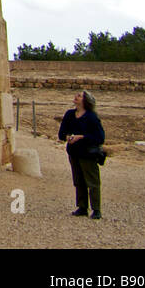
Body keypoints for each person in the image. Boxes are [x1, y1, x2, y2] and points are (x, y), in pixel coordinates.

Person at [58, 89, 105, 219]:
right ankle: (82, 206)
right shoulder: (69, 114)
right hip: (74, 153)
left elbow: (100, 137)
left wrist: (82, 137)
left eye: (79, 96)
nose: (76, 97)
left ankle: (96, 209)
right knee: (78, 180)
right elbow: (62, 133)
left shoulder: (91, 117)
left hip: (87, 154)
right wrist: (67, 137)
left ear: (85, 101)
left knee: (92, 182)